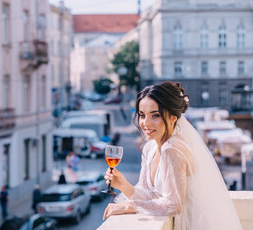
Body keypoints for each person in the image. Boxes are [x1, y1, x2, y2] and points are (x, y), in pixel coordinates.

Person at [103, 81, 242, 230]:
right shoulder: (150, 147)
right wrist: (124, 185)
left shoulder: (172, 149)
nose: (146, 123)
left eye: (155, 115)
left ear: (173, 117)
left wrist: (128, 207)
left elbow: (173, 205)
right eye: (142, 115)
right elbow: (147, 193)